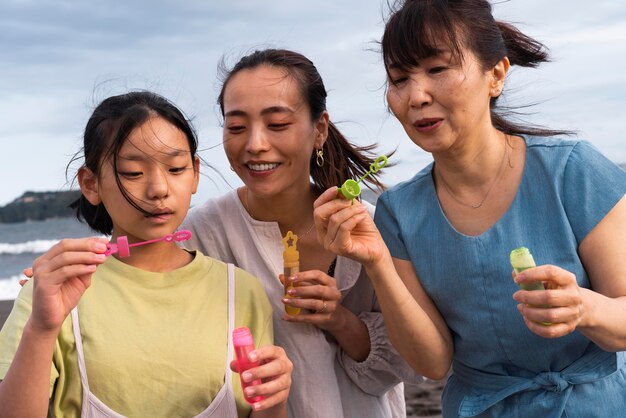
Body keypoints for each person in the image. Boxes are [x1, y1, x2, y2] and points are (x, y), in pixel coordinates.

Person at [313, 1, 626, 417]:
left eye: (437, 69)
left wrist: (584, 307)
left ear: (495, 74)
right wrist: (377, 263)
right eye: (399, 78)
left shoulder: (572, 170)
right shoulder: (397, 212)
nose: (417, 96)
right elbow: (432, 362)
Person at [0, 91, 292, 418]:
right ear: (91, 183)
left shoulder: (241, 291)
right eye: (133, 173)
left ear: (195, 174)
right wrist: (41, 328)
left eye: (176, 168)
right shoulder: (51, 294)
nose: (158, 189)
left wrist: (275, 399)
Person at [181, 49, 420, 418]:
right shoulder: (201, 234)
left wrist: (338, 319)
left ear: (319, 129)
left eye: (277, 124)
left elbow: (396, 370)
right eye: (237, 127)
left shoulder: (367, 230)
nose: (255, 144)